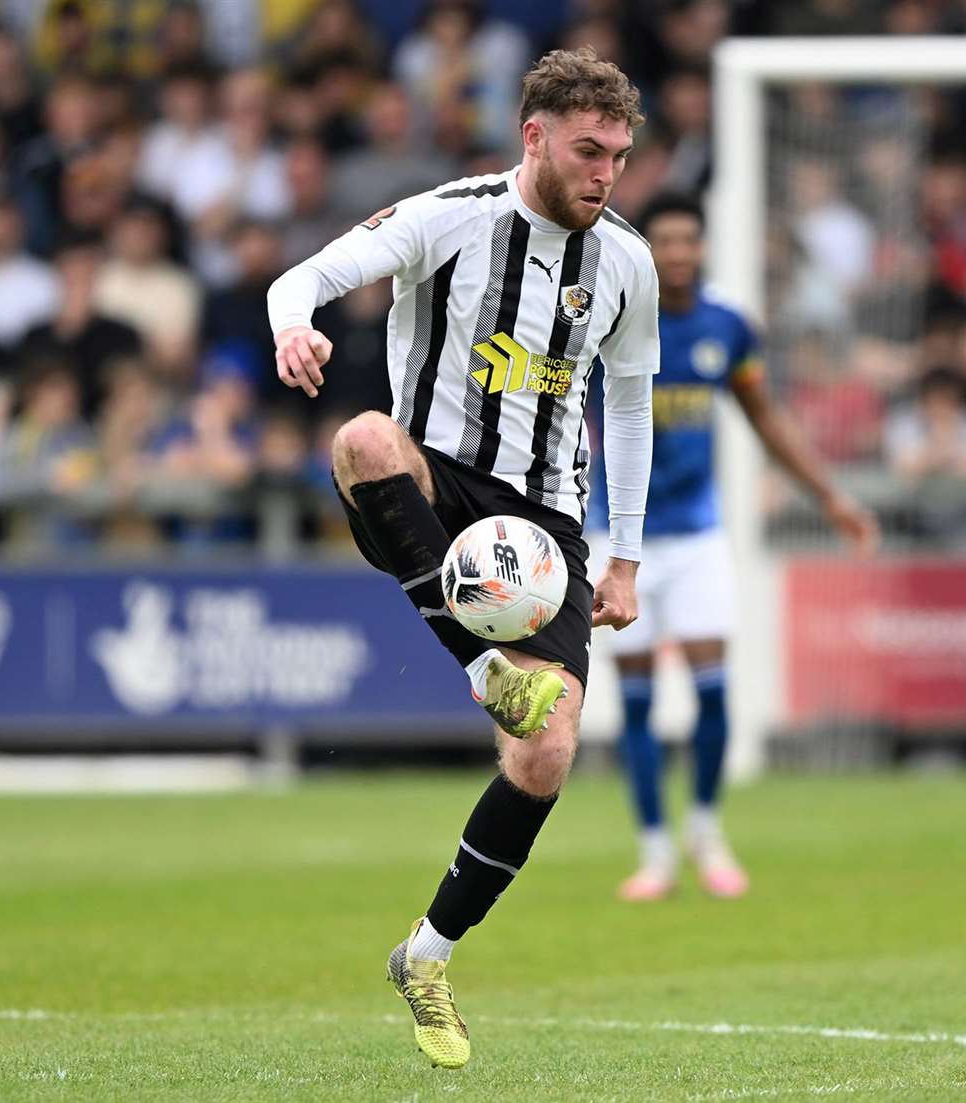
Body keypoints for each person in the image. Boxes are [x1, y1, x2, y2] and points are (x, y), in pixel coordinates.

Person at [267, 47, 658, 1070]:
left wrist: (624, 558)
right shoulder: (448, 215)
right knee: (359, 438)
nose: (604, 173)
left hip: (547, 526)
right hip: (432, 488)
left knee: (548, 751)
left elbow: (628, 402)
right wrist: (294, 328)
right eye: (588, 150)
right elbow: (299, 277)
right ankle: (485, 670)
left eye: (619, 155)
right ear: (533, 136)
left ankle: (426, 953)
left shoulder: (625, 260)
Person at [588, 193, 878, 903]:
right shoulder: (604, 315)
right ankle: (654, 849)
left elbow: (764, 416)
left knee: (714, 688)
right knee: (635, 701)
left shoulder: (726, 327)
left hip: (697, 535)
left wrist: (830, 496)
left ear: (704, 245)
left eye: (690, 240)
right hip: (616, 536)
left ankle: (706, 830)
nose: (679, 254)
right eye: (667, 241)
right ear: (645, 248)